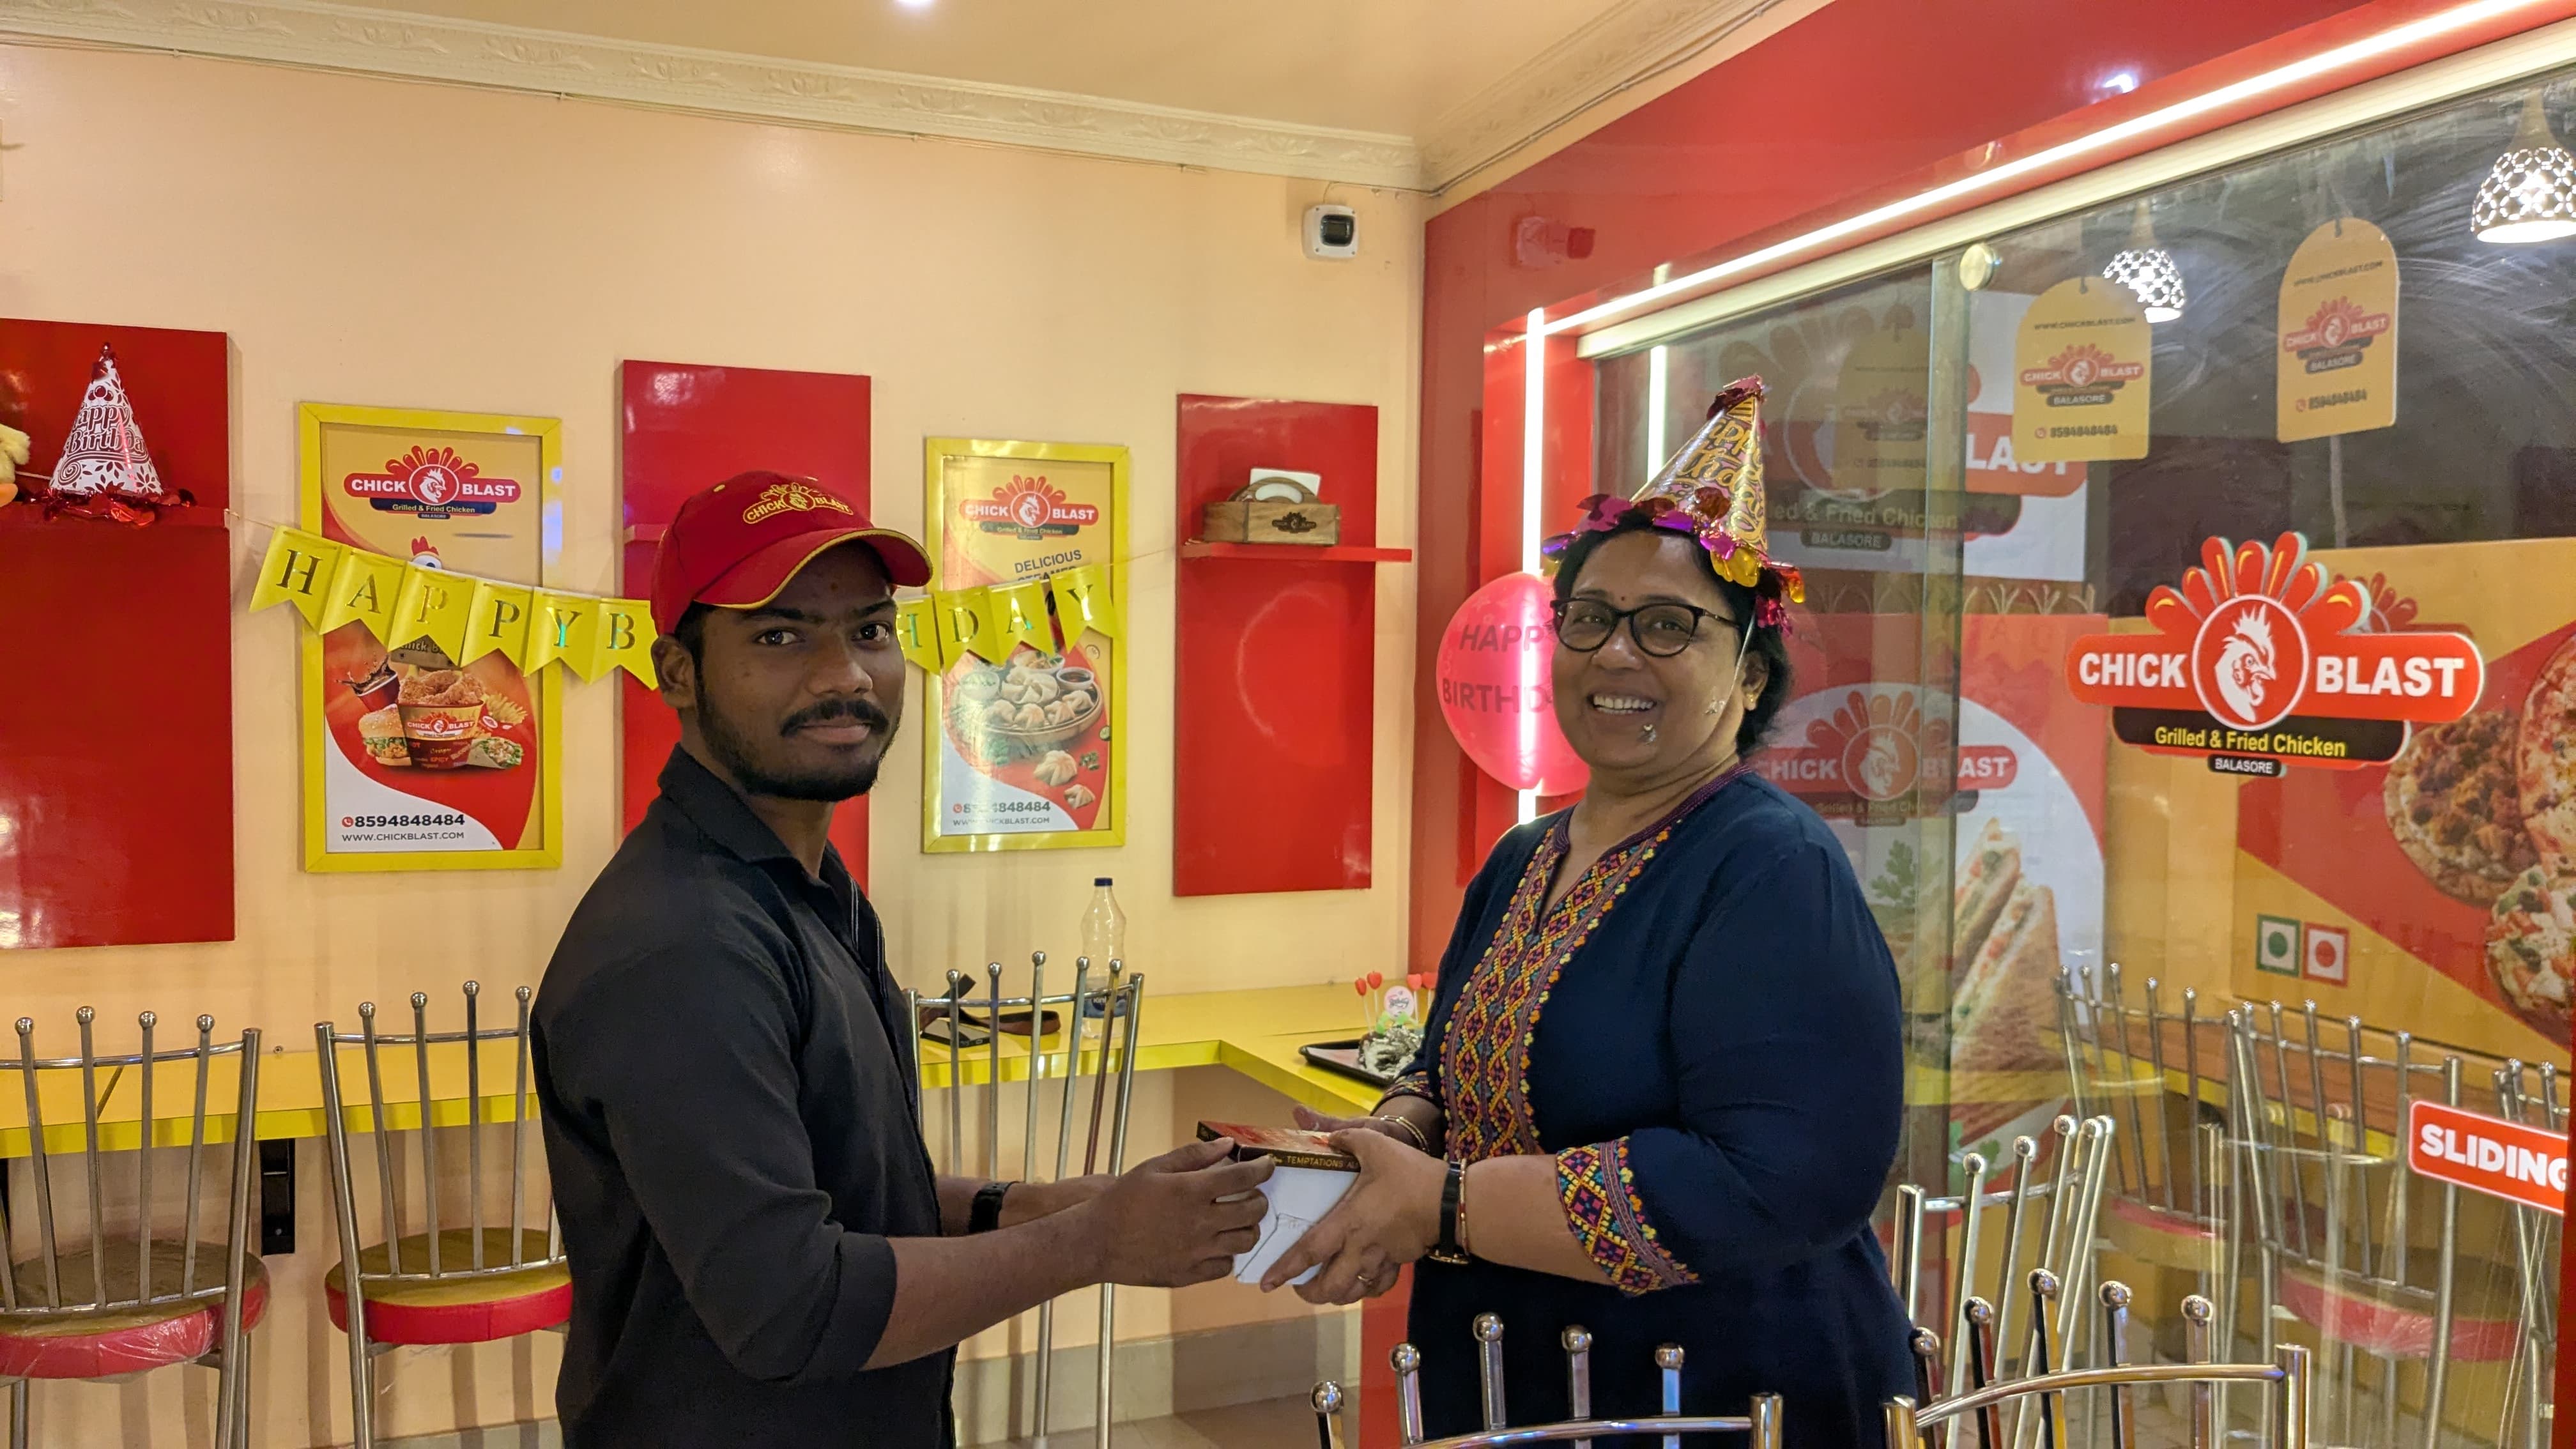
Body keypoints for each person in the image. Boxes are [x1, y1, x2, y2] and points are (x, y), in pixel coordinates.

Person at [533, 470, 1271, 1448]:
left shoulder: (805, 887)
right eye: (781, 635)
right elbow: (790, 1306)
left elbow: (835, 1196)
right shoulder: (686, 947)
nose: (844, 674)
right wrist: (1092, 1242)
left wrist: (1041, 1206)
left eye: (871, 631)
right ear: (676, 672)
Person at [1261, 382, 1910, 1445]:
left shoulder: (1772, 865)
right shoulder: (1528, 854)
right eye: (1591, 618)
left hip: (1712, 1390)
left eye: (1667, 628)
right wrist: (1382, 1153)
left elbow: (1784, 1179)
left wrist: (1445, 1206)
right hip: (1510, 1362)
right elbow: (1445, 1069)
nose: (1615, 653)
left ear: (1749, 678)